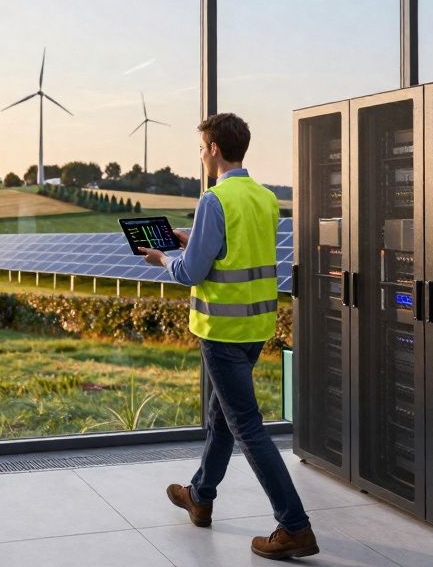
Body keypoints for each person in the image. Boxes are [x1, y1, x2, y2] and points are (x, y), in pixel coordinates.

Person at [138, 112, 317, 560]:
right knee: (223, 415)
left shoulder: (214, 201)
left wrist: (164, 258)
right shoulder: (265, 198)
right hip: (257, 326)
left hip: (221, 330)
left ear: (215, 148)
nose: (201, 156)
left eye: (201, 148)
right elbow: (233, 252)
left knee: (245, 426)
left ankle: (294, 525)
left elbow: (193, 271)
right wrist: (191, 238)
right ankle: (201, 496)